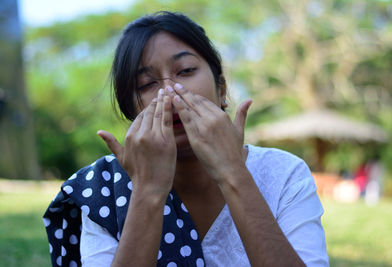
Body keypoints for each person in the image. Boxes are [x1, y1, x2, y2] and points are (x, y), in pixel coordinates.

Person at [43, 11, 329, 267]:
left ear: (221, 89)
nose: (170, 92)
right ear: (132, 112)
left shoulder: (283, 174)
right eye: (147, 84)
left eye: (186, 71)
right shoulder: (104, 188)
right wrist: (147, 193)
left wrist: (232, 172)